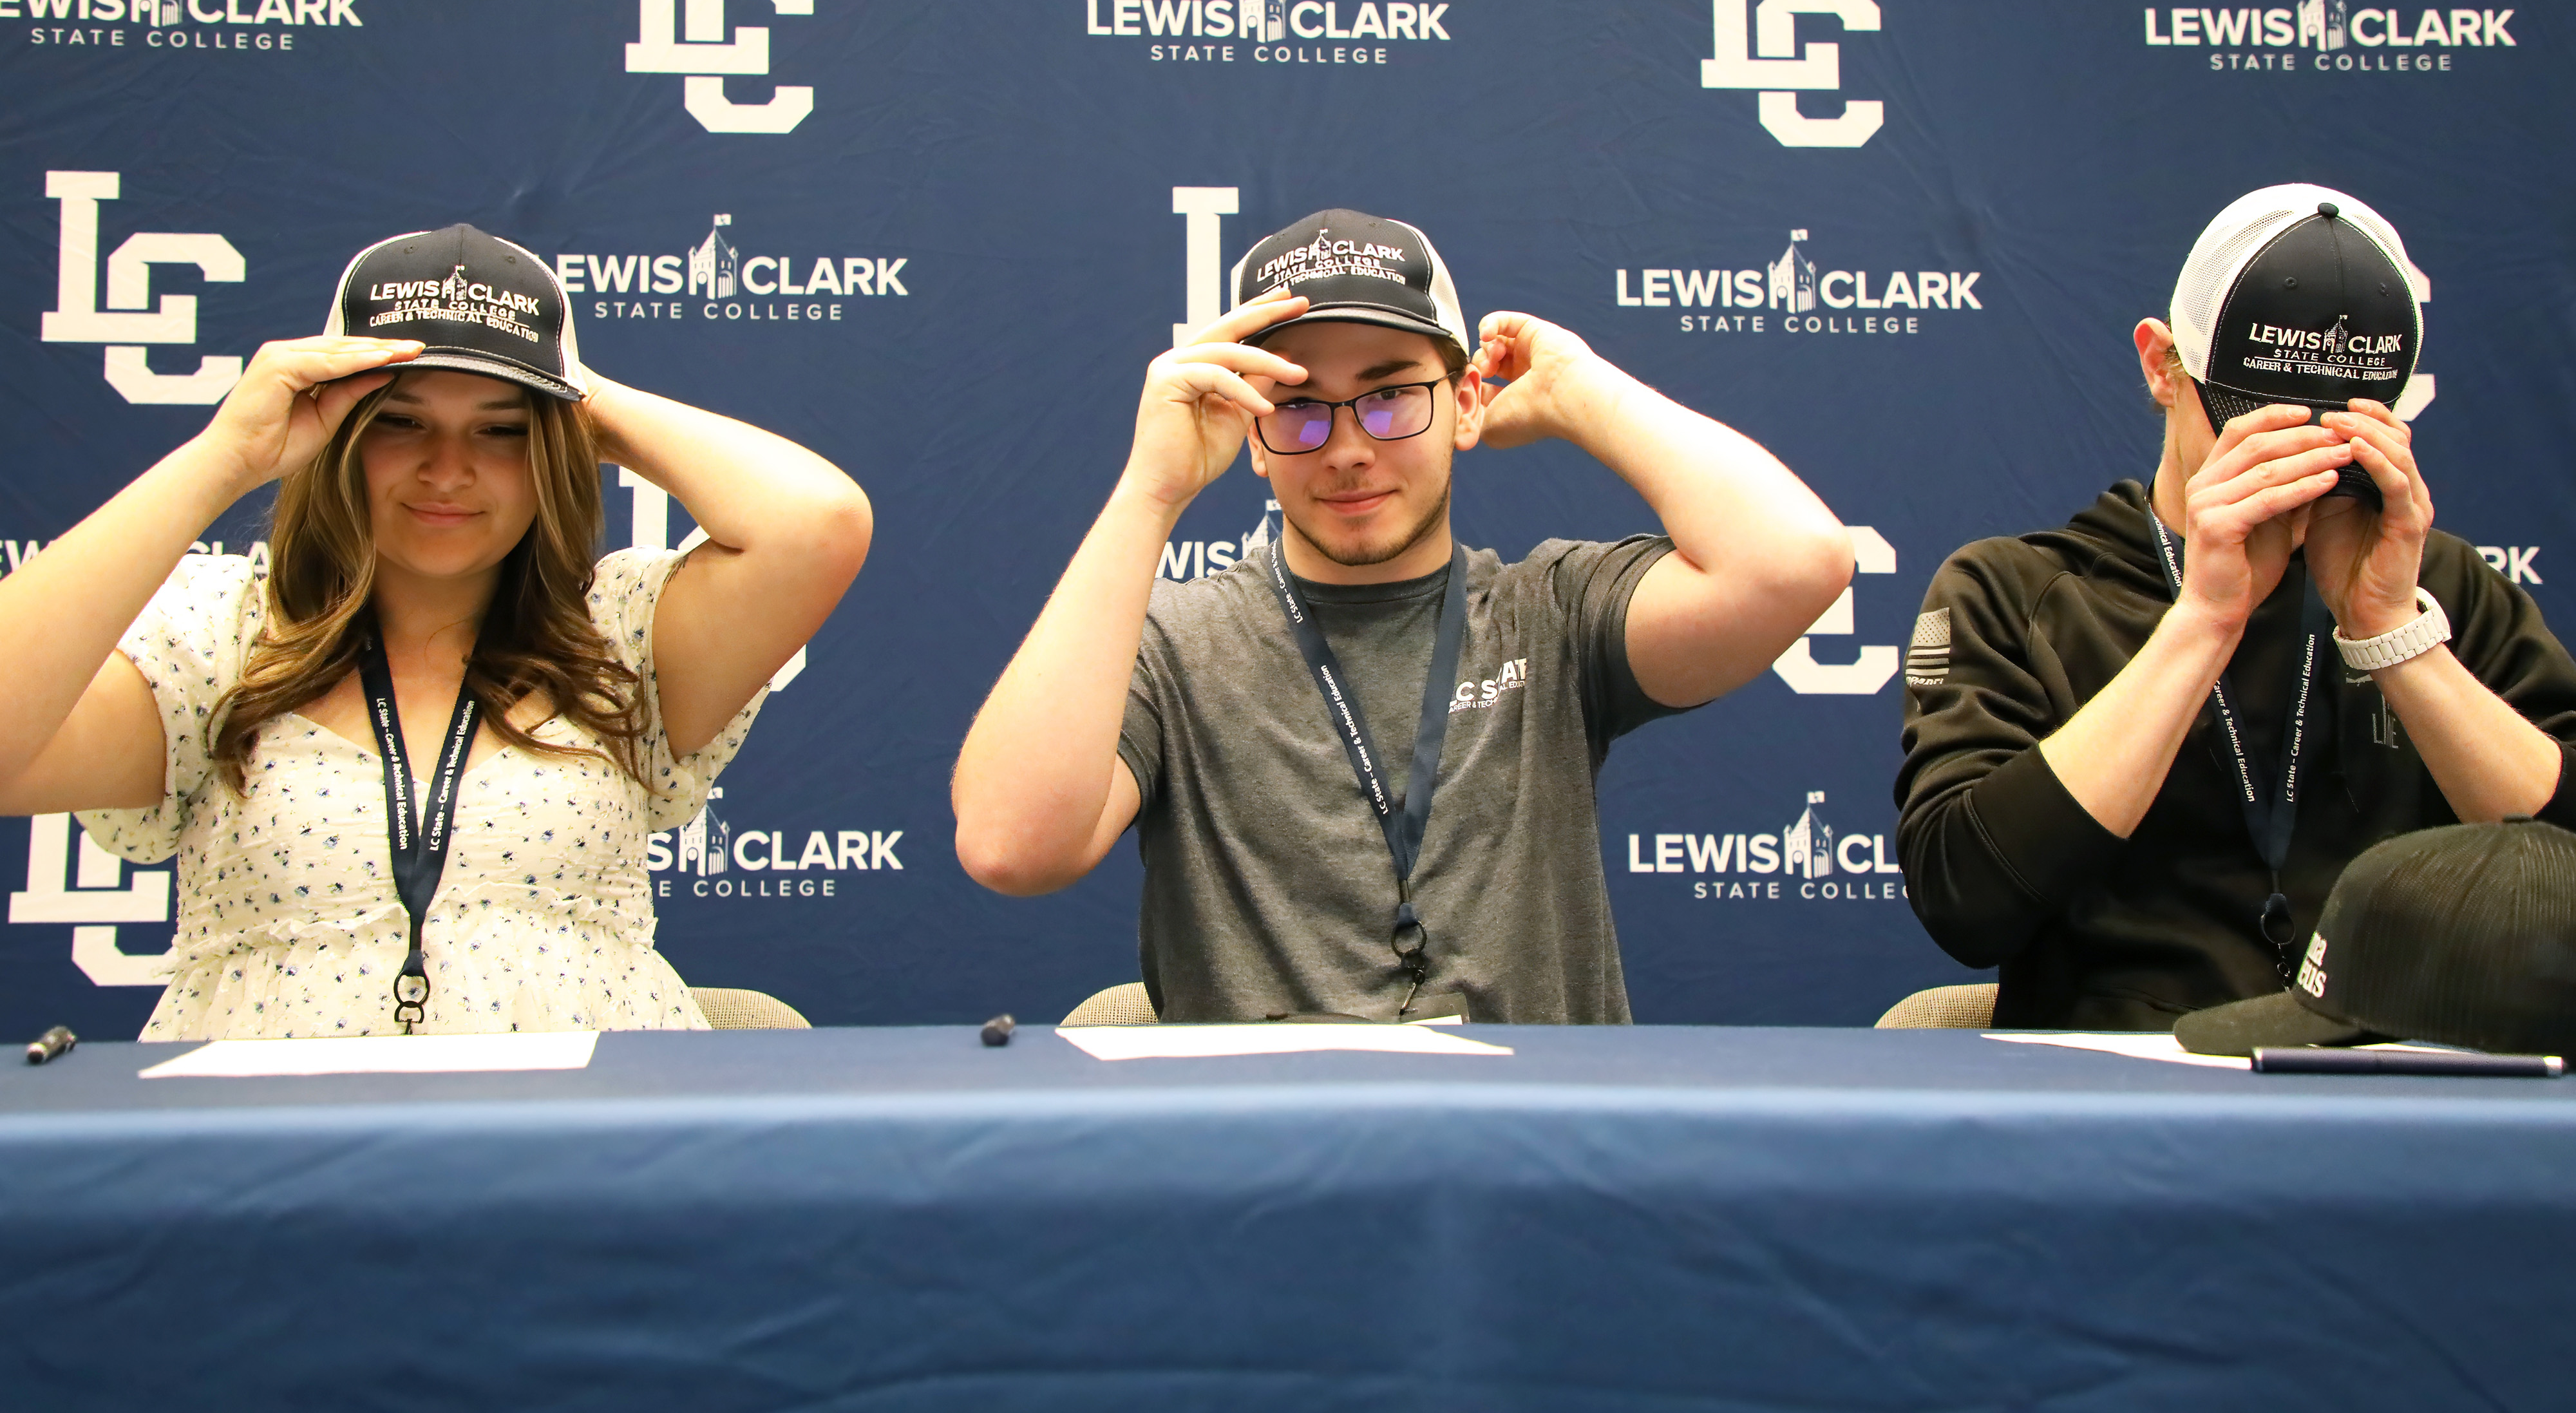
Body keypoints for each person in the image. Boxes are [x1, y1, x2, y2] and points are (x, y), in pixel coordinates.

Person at [953, 208, 1854, 1023]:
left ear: (1463, 404)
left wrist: (1581, 392)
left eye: (1390, 396)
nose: (1347, 449)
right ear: (1253, 441)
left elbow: (1798, 562)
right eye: (1299, 407)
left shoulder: (1550, 617)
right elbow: (1009, 845)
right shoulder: (1177, 643)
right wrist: (1151, 491)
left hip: (1530, 1172)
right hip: (1268, 1178)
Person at [0, 224, 871, 1038]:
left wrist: (584, 398)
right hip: (267, 1168)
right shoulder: (221, 637)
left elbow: (816, 523)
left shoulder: (615, 638)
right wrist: (227, 455)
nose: (447, 470)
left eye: (499, 430)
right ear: (335, 434)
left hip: (586, 1160)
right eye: (401, 421)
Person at [1896, 184, 2576, 1030]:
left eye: (2337, 433)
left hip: (2393, 1084)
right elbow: (1968, 901)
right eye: (2259, 422)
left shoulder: (2443, 589)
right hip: (2117, 1093)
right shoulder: (2019, 592)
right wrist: (2202, 621)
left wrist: (2396, 636)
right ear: (2162, 365)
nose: (2296, 462)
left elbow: (2561, 870)